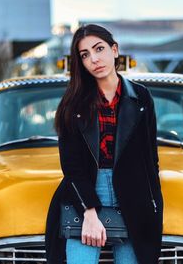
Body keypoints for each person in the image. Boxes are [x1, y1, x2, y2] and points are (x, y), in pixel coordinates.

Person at [45, 24, 163, 264]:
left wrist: (151, 204)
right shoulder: (73, 104)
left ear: (115, 50)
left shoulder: (141, 98)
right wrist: (88, 211)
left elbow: (151, 158)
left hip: (133, 192)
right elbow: (71, 164)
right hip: (87, 189)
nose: (94, 59)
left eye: (99, 49)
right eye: (85, 55)